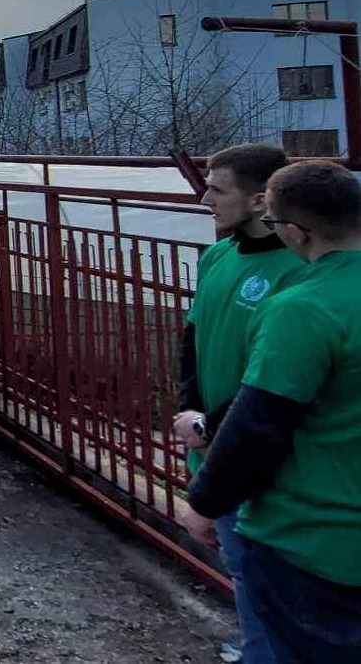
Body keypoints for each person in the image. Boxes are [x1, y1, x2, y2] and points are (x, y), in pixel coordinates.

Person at [182, 160, 361, 663]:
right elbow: (193, 339)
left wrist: (205, 501)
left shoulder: (305, 306)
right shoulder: (223, 260)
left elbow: (260, 421)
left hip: (306, 534)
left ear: (298, 233)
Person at [170, 144, 305, 660]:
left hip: (255, 447)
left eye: (216, 188)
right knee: (242, 565)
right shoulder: (218, 255)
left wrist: (211, 424)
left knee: (265, 568)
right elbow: (192, 339)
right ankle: (256, 647)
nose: (204, 197)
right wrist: (193, 415)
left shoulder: (297, 272)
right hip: (210, 439)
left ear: (257, 202)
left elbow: (276, 377)